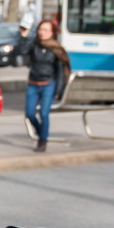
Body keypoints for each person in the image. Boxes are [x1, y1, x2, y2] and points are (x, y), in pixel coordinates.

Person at [15, 19, 71, 152]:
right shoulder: (34, 45)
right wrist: (23, 36)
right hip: (33, 83)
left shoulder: (56, 48)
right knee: (29, 114)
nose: (42, 33)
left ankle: (43, 140)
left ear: (52, 32)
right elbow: (21, 51)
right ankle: (42, 133)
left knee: (44, 114)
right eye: (40, 29)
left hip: (48, 84)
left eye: (46, 30)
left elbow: (60, 72)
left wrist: (59, 90)